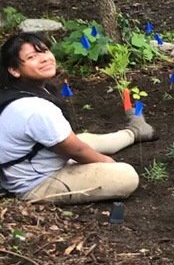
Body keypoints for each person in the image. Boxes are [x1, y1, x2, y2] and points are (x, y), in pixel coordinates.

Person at [0, 33, 158, 204]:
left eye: (44, 51)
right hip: (34, 182)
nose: (44, 58)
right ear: (14, 70)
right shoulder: (33, 108)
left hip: (37, 159)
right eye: (32, 57)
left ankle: (134, 132)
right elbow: (76, 151)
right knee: (126, 176)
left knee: (86, 140)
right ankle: (130, 138)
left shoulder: (18, 91)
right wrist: (107, 163)